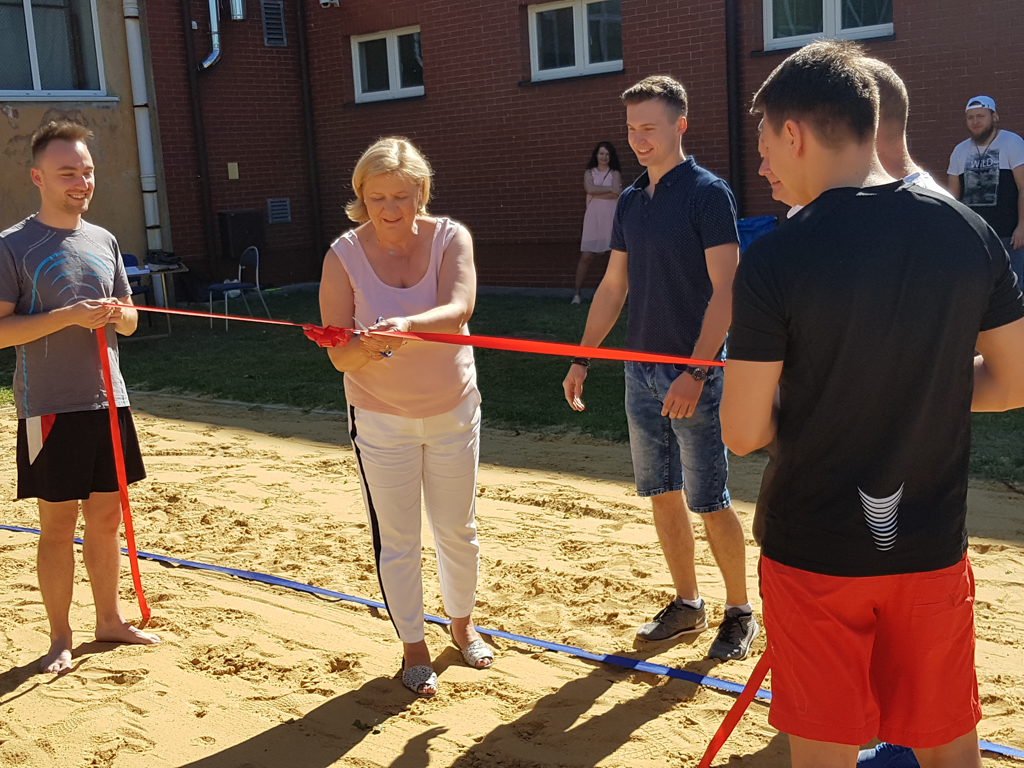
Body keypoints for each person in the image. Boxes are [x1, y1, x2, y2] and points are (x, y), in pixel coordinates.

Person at [723, 40, 1024, 767]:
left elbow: (741, 430)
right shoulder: (969, 231)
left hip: (815, 551)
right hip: (926, 547)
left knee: (824, 752)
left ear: (794, 133)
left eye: (765, 147)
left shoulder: (775, 256)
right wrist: (925, 395)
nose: (762, 167)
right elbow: (1012, 383)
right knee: (951, 747)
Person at [562, 76, 757, 661]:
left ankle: (739, 611)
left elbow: (728, 291)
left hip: (694, 373)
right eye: (631, 130)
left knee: (710, 497)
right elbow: (613, 286)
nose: (638, 140)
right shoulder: (628, 201)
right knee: (661, 492)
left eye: (649, 127)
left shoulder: (707, 194)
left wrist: (695, 372)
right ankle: (687, 604)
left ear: (680, 125)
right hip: (639, 372)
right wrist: (582, 356)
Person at [316, 137, 490, 698]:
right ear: (360, 197)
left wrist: (407, 326)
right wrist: (366, 346)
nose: (389, 209)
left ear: (422, 192)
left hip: (453, 410)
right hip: (380, 417)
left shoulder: (450, 237)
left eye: (401, 196)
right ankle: (414, 646)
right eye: (376, 198)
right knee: (398, 538)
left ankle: (462, 624)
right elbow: (337, 352)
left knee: (457, 529)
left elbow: (461, 308)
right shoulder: (342, 254)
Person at [0, 121, 159, 675]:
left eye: (87, 171)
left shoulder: (105, 239)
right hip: (48, 407)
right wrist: (65, 317)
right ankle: (60, 637)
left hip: (109, 402)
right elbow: (1, 331)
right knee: (57, 526)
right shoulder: (13, 246)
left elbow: (134, 321)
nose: (81, 181)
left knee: (106, 519)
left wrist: (120, 313)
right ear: (38, 177)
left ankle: (109, 620)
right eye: (69, 172)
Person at [948, 95, 1024, 288]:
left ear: (994, 116)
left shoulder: (1012, 142)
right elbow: (952, 198)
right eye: (970, 117)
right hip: (974, 237)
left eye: (981, 116)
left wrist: (1022, 226)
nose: (975, 122)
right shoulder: (959, 151)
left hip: (1009, 236)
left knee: (1014, 290)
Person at [573, 141, 622, 305]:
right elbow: (590, 190)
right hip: (593, 218)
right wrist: (609, 191)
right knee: (586, 256)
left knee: (612, 257)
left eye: (607, 154)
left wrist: (601, 191)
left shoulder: (614, 173)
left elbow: (617, 194)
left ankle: (612, 296)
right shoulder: (589, 172)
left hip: (610, 217)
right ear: (596, 155)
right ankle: (577, 293)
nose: (604, 157)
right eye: (601, 154)